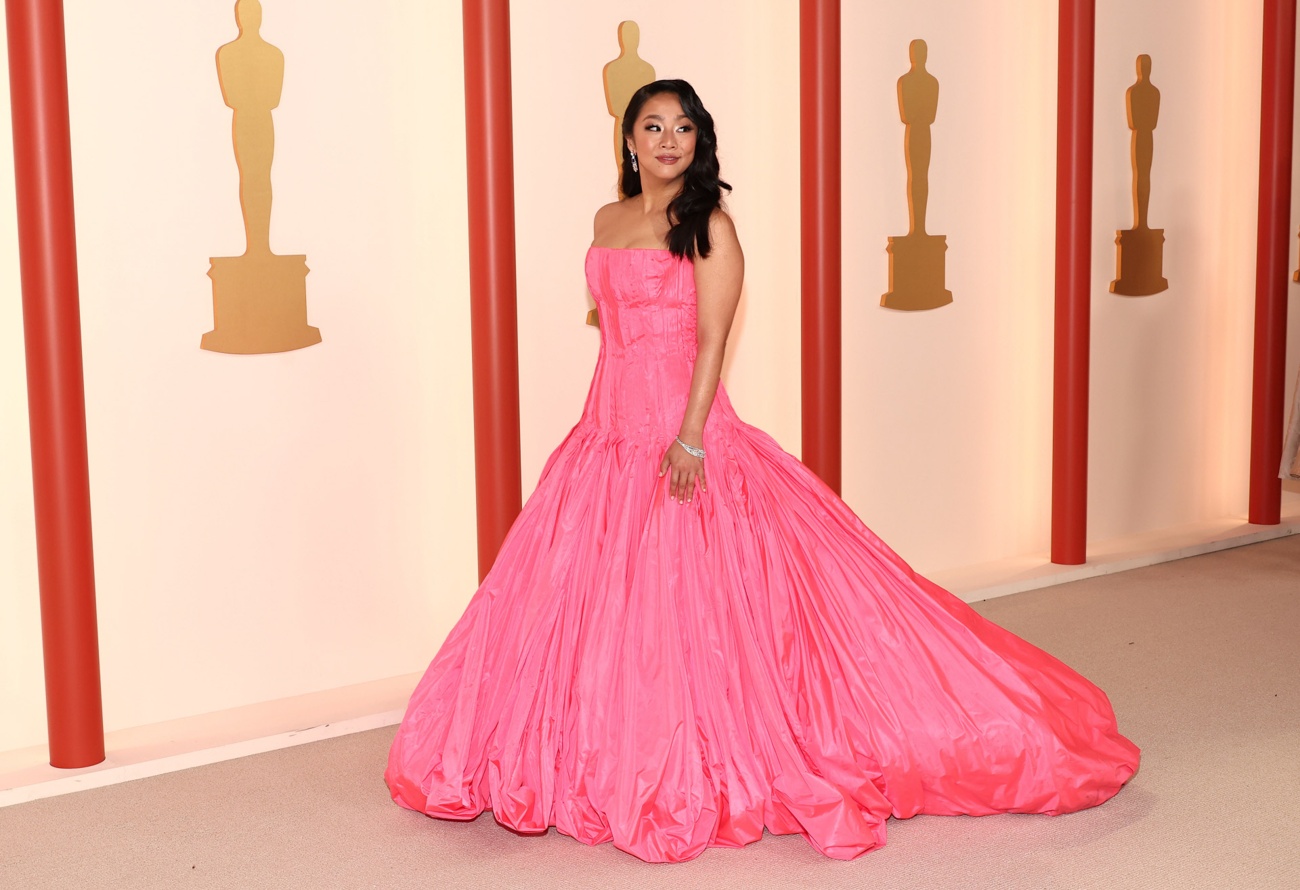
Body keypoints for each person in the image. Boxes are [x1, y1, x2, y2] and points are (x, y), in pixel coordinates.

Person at [386, 79, 1139, 864]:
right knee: (581, 603)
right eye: (652, 126)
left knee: (701, 611)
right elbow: (613, 334)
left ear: (698, 139)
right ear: (630, 140)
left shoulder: (708, 224)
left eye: (683, 127)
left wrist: (690, 440)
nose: (668, 140)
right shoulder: (608, 220)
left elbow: (711, 340)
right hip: (603, 436)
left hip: (684, 435)